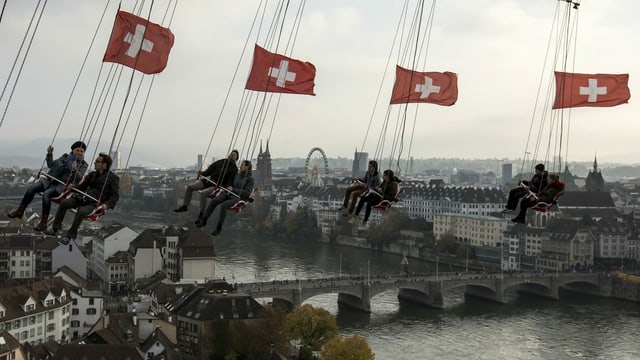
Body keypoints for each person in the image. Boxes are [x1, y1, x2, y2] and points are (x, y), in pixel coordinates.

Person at [7, 141, 89, 231]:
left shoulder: (83, 164)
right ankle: (20, 211)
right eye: (78, 150)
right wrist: (50, 154)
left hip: (61, 184)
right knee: (32, 188)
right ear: (73, 150)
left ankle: (43, 223)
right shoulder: (65, 157)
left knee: (47, 194)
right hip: (50, 179)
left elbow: (79, 177)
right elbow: (51, 165)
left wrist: (75, 170)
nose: (79, 153)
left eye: (82, 151)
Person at [44, 153, 120, 244]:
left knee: (82, 211)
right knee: (64, 203)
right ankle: (55, 229)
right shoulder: (92, 175)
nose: (94, 163)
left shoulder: (113, 178)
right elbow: (82, 187)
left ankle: (69, 236)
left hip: (94, 204)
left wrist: (106, 205)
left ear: (104, 165)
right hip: (82, 198)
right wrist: (73, 187)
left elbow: (115, 196)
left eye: (97, 161)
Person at [173, 150, 239, 223]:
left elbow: (230, 179)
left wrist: (229, 186)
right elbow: (211, 168)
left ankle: (201, 214)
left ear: (236, 158)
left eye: (234, 155)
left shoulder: (234, 169)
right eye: (232, 154)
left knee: (203, 193)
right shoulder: (222, 162)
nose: (232, 155)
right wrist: (203, 173)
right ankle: (185, 206)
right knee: (190, 187)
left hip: (218, 186)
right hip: (210, 181)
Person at [199, 160, 255, 236]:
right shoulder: (237, 175)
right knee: (215, 201)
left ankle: (218, 228)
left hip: (238, 197)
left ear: (247, 167)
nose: (240, 166)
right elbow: (231, 183)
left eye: (242, 165)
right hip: (229, 193)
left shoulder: (250, 179)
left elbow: (247, 193)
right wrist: (229, 186)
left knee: (224, 205)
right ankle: (204, 220)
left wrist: (234, 190)